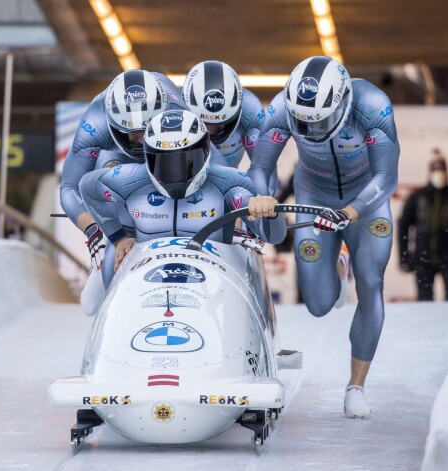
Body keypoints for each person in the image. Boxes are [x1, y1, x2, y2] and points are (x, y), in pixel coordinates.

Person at [248, 56, 400, 418]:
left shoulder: (373, 107)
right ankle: (337, 265)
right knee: (318, 304)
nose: (313, 130)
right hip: (314, 195)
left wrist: (352, 211)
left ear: (344, 104)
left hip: (366, 200)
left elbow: (386, 177)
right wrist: (262, 195)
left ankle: (356, 387)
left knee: (371, 281)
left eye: (322, 121)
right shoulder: (283, 108)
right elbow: (260, 167)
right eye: (304, 123)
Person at [78, 109, 287, 286]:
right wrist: (118, 236)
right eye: (164, 163)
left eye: (186, 161)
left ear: (205, 153)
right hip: (145, 278)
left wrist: (268, 212)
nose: (175, 172)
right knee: (92, 303)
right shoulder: (130, 178)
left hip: (212, 281)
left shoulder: (229, 182)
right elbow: (88, 187)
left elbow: (273, 236)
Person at [181, 60, 278, 194]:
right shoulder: (174, 108)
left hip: (227, 183)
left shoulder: (251, 111)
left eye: (218, 124)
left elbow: (263, 168)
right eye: (203, 123)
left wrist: (263, 200)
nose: (209, 131)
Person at [398, 151, 448, 301]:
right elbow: (403, 227)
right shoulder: (417, 197)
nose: (439, 174)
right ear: (430, 172)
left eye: (442, 170)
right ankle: (425, 325)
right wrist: (404, 256)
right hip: (422, 257)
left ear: (447, 172)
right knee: (424, 301)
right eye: (435, 170)